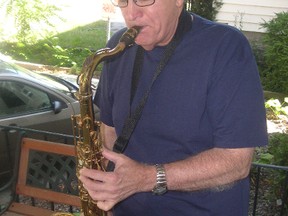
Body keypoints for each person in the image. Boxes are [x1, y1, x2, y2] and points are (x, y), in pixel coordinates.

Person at [79, 0, 268, 215]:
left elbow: (236, 162)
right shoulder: (116, 48)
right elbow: (109, 130)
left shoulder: (225, 46)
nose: (132, 13)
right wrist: (109, 193)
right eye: (123, 1)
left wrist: (146, 178)